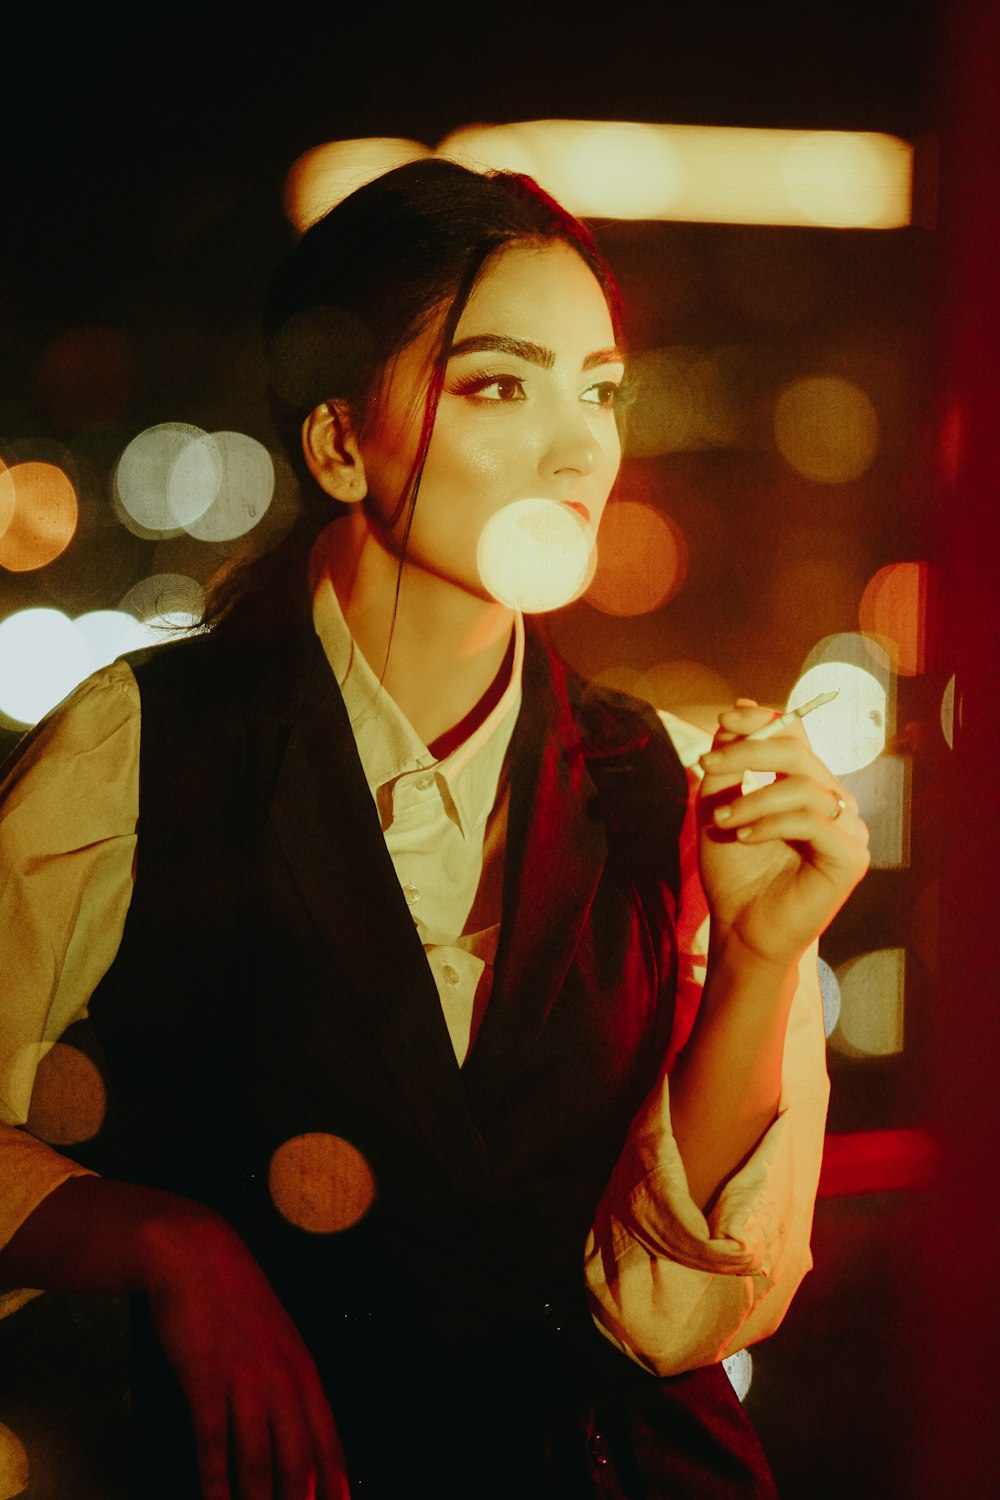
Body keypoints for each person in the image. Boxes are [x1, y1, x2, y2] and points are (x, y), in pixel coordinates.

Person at [0, 159, 869, 1499]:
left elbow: (670, 1317)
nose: (579, 447)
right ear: (341, 441)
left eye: (600, 390)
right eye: (499, 385)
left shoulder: (668, 780)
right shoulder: (145, 744)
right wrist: (163, 1242)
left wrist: (759, 959)